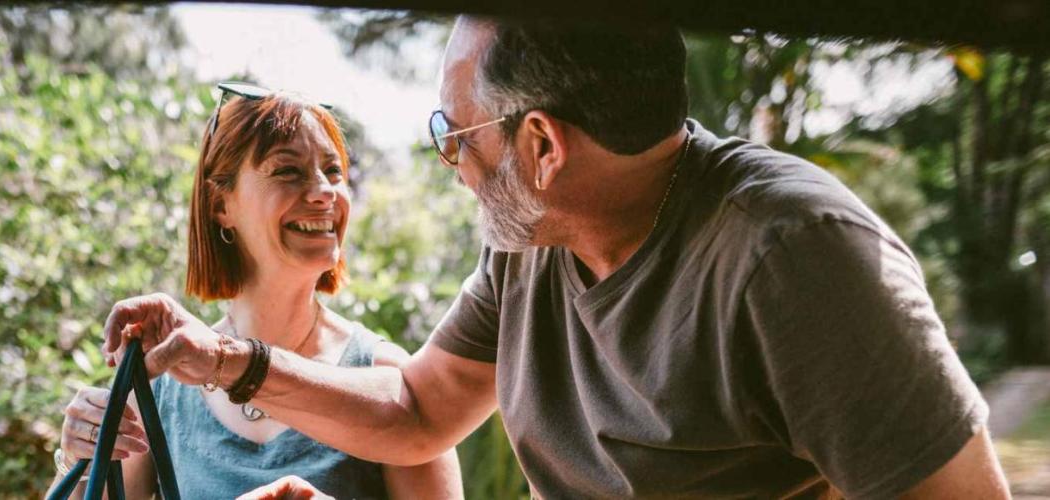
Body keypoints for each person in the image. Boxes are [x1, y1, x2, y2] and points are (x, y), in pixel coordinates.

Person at [100, 16, 1014, 499]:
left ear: (541, 146)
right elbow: (419, 409)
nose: (449, 165)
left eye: (451, 135)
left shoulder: (794, 255)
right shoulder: (530, 242)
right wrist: (227, 363)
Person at [49, 84, 463, 499]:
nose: (324, 191)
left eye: (334, 171)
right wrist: (76, 460)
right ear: (220, 206)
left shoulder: (389, 381)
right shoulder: (158, 388)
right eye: (288, 171)